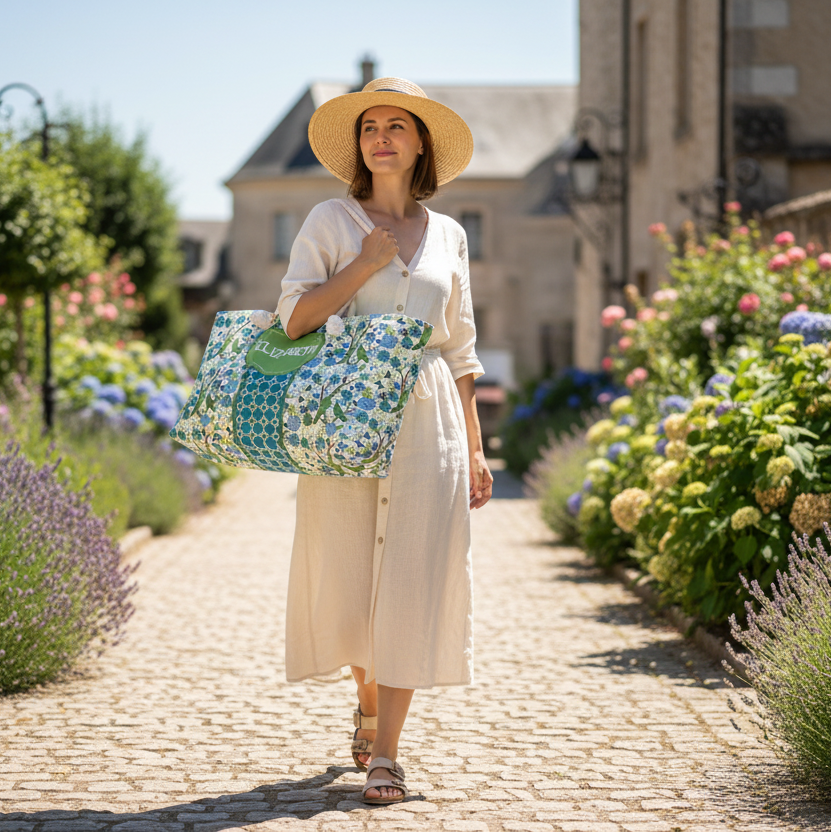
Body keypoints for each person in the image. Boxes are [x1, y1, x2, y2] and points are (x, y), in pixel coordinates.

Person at [275, 77, 493, 805]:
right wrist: (364, 264)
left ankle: (387, 755)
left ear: (421, 143)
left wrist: (477, 445)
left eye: (397, 125)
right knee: (348, 576)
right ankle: (367, 703)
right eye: (370, 127)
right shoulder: (330, 221)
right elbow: (294, 319)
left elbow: (460, 347)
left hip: (429, 421)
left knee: (411, 579)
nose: (381, 137)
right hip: (342, 418)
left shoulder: (451, 235)